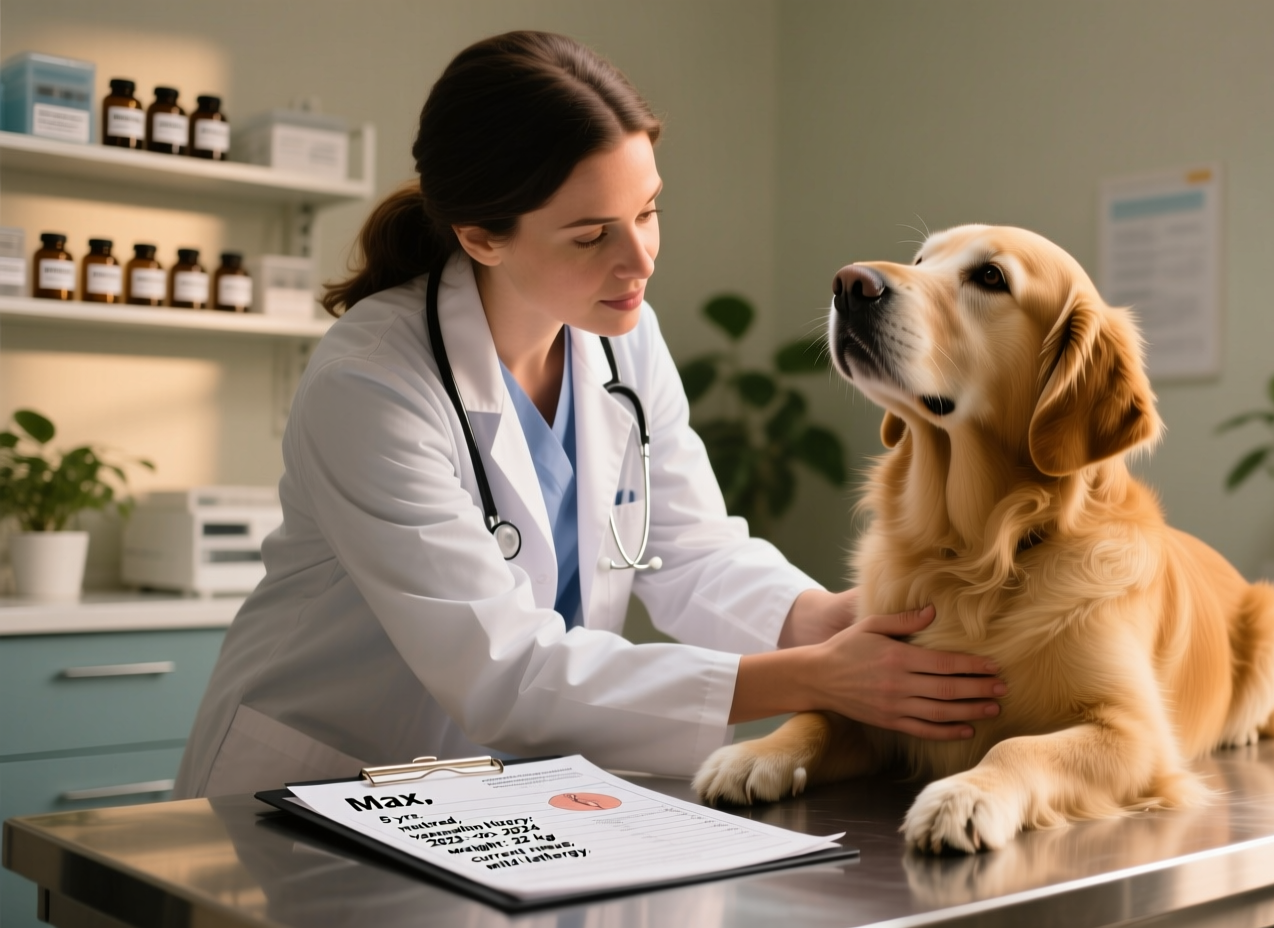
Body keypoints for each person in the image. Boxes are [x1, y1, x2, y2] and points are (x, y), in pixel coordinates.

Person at [176, 31, 1005, 798]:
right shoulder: (371, 383)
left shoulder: (622, 339)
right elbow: (500, 672)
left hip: (498, 795)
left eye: (648, 211)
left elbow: (690, 551)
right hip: (326, 786)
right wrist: (815, 675)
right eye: (590, 236)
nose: (640, 259)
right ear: (482, 237)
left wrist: (825, 618)